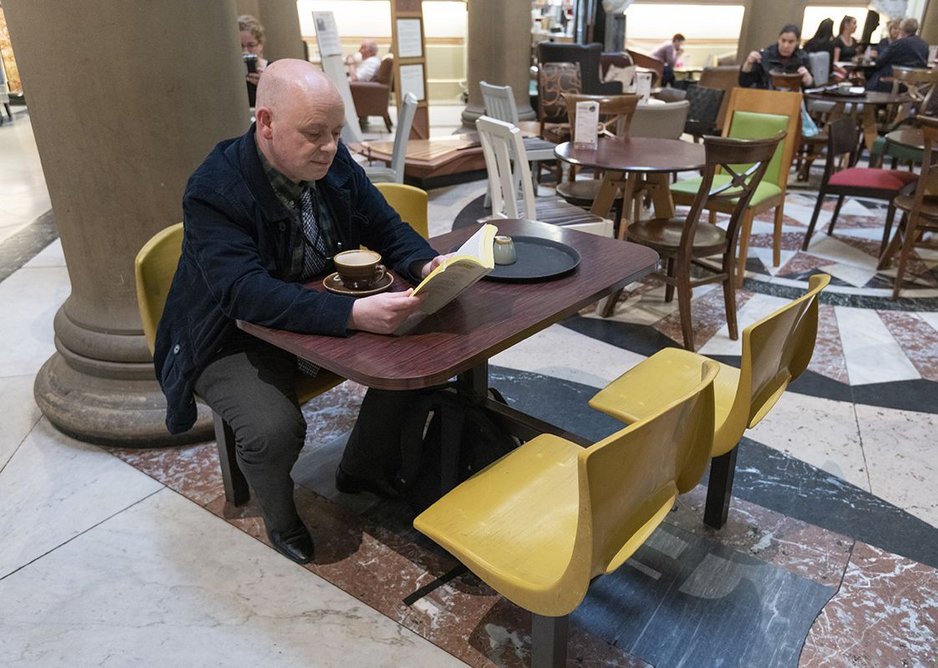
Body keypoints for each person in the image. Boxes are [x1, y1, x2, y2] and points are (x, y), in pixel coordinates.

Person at [153, 60, 448, 565]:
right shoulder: (215, 188)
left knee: (424, 359)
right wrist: (353, 316)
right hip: (227, 333)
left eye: (336, 132)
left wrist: (428, 261)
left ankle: (361, 467)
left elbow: (384, 225)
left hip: (311, 312)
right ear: (265, 123)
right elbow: (244, 293)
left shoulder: (332, 162)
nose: (330, 147)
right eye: (314, 134)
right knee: (273, 430)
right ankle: (281, 514)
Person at [739, 24, 813, 89]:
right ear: (778, 39)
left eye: (791, 42)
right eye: (783, 40)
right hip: (766, 97)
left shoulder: (802, 57)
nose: (786, 46)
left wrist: (808, 79)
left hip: (792, 97)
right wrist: (748, 63)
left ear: (797, 42)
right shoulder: (765, 56)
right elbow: (744, 83)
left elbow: (810, 88)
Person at [866, 18, 929, 91]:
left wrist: (875, 57)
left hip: (894, 82)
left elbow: (879, 62)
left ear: (902, 29)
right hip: (914, 84)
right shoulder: (924, 44)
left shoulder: (899, 43)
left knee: (872, 79)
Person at [239, 14, 268, 106]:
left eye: (251, 45)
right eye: (241, 46)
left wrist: (264, 85)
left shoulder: (272, 70)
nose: (245, 51)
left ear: (260, 45)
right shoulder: (231, 75)